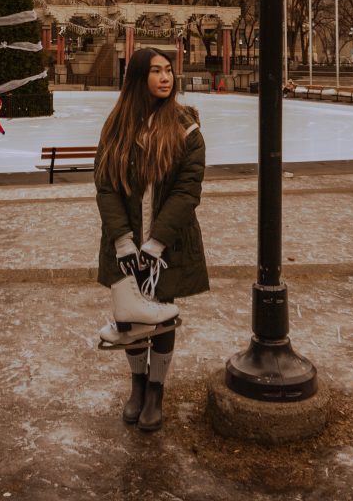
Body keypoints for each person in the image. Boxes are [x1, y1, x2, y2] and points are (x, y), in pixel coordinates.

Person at [94, 48, 209, 433]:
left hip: (167, 243)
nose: (166, 77)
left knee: (161, 317)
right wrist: (123, 240)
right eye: (156, 71)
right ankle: (137, 385)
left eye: (169, 70)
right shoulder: (117, 126)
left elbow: (187, 190)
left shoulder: (185, 126)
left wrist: (156, 242)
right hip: (124, 239)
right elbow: (106, 187)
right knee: (129, 318)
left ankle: (156, 389)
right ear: (138, 76)